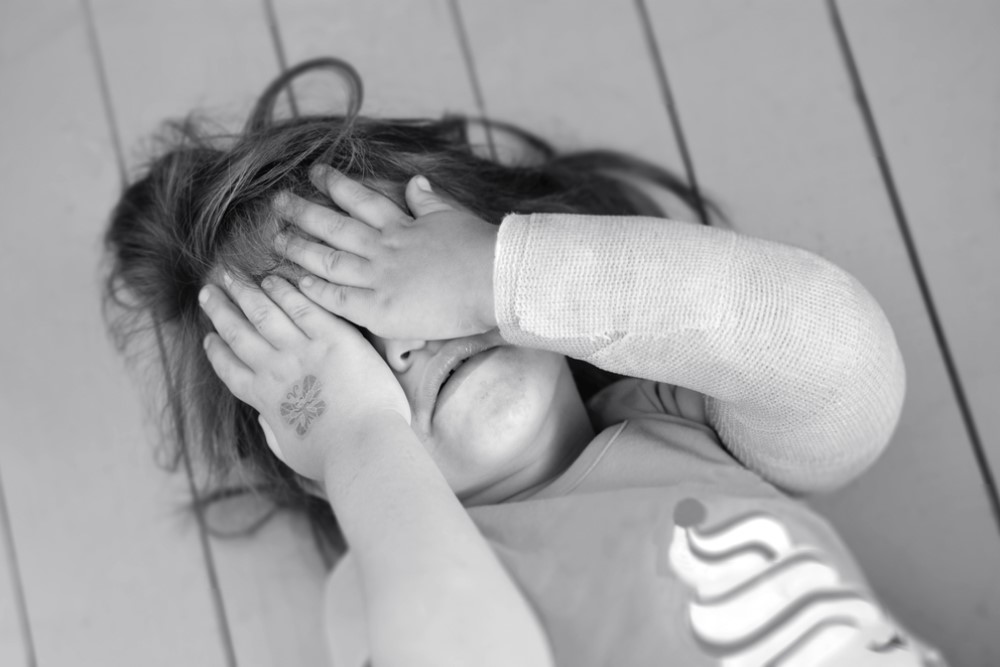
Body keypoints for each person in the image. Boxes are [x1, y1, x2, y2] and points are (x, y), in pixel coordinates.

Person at [102, 58, 948, 666]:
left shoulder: (677, 422)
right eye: (341, 355)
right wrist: (359, 436)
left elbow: (843, 369)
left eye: (395, 276)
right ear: (314, 460)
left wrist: (501, 273)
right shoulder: (375, 591)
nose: (404, 340)